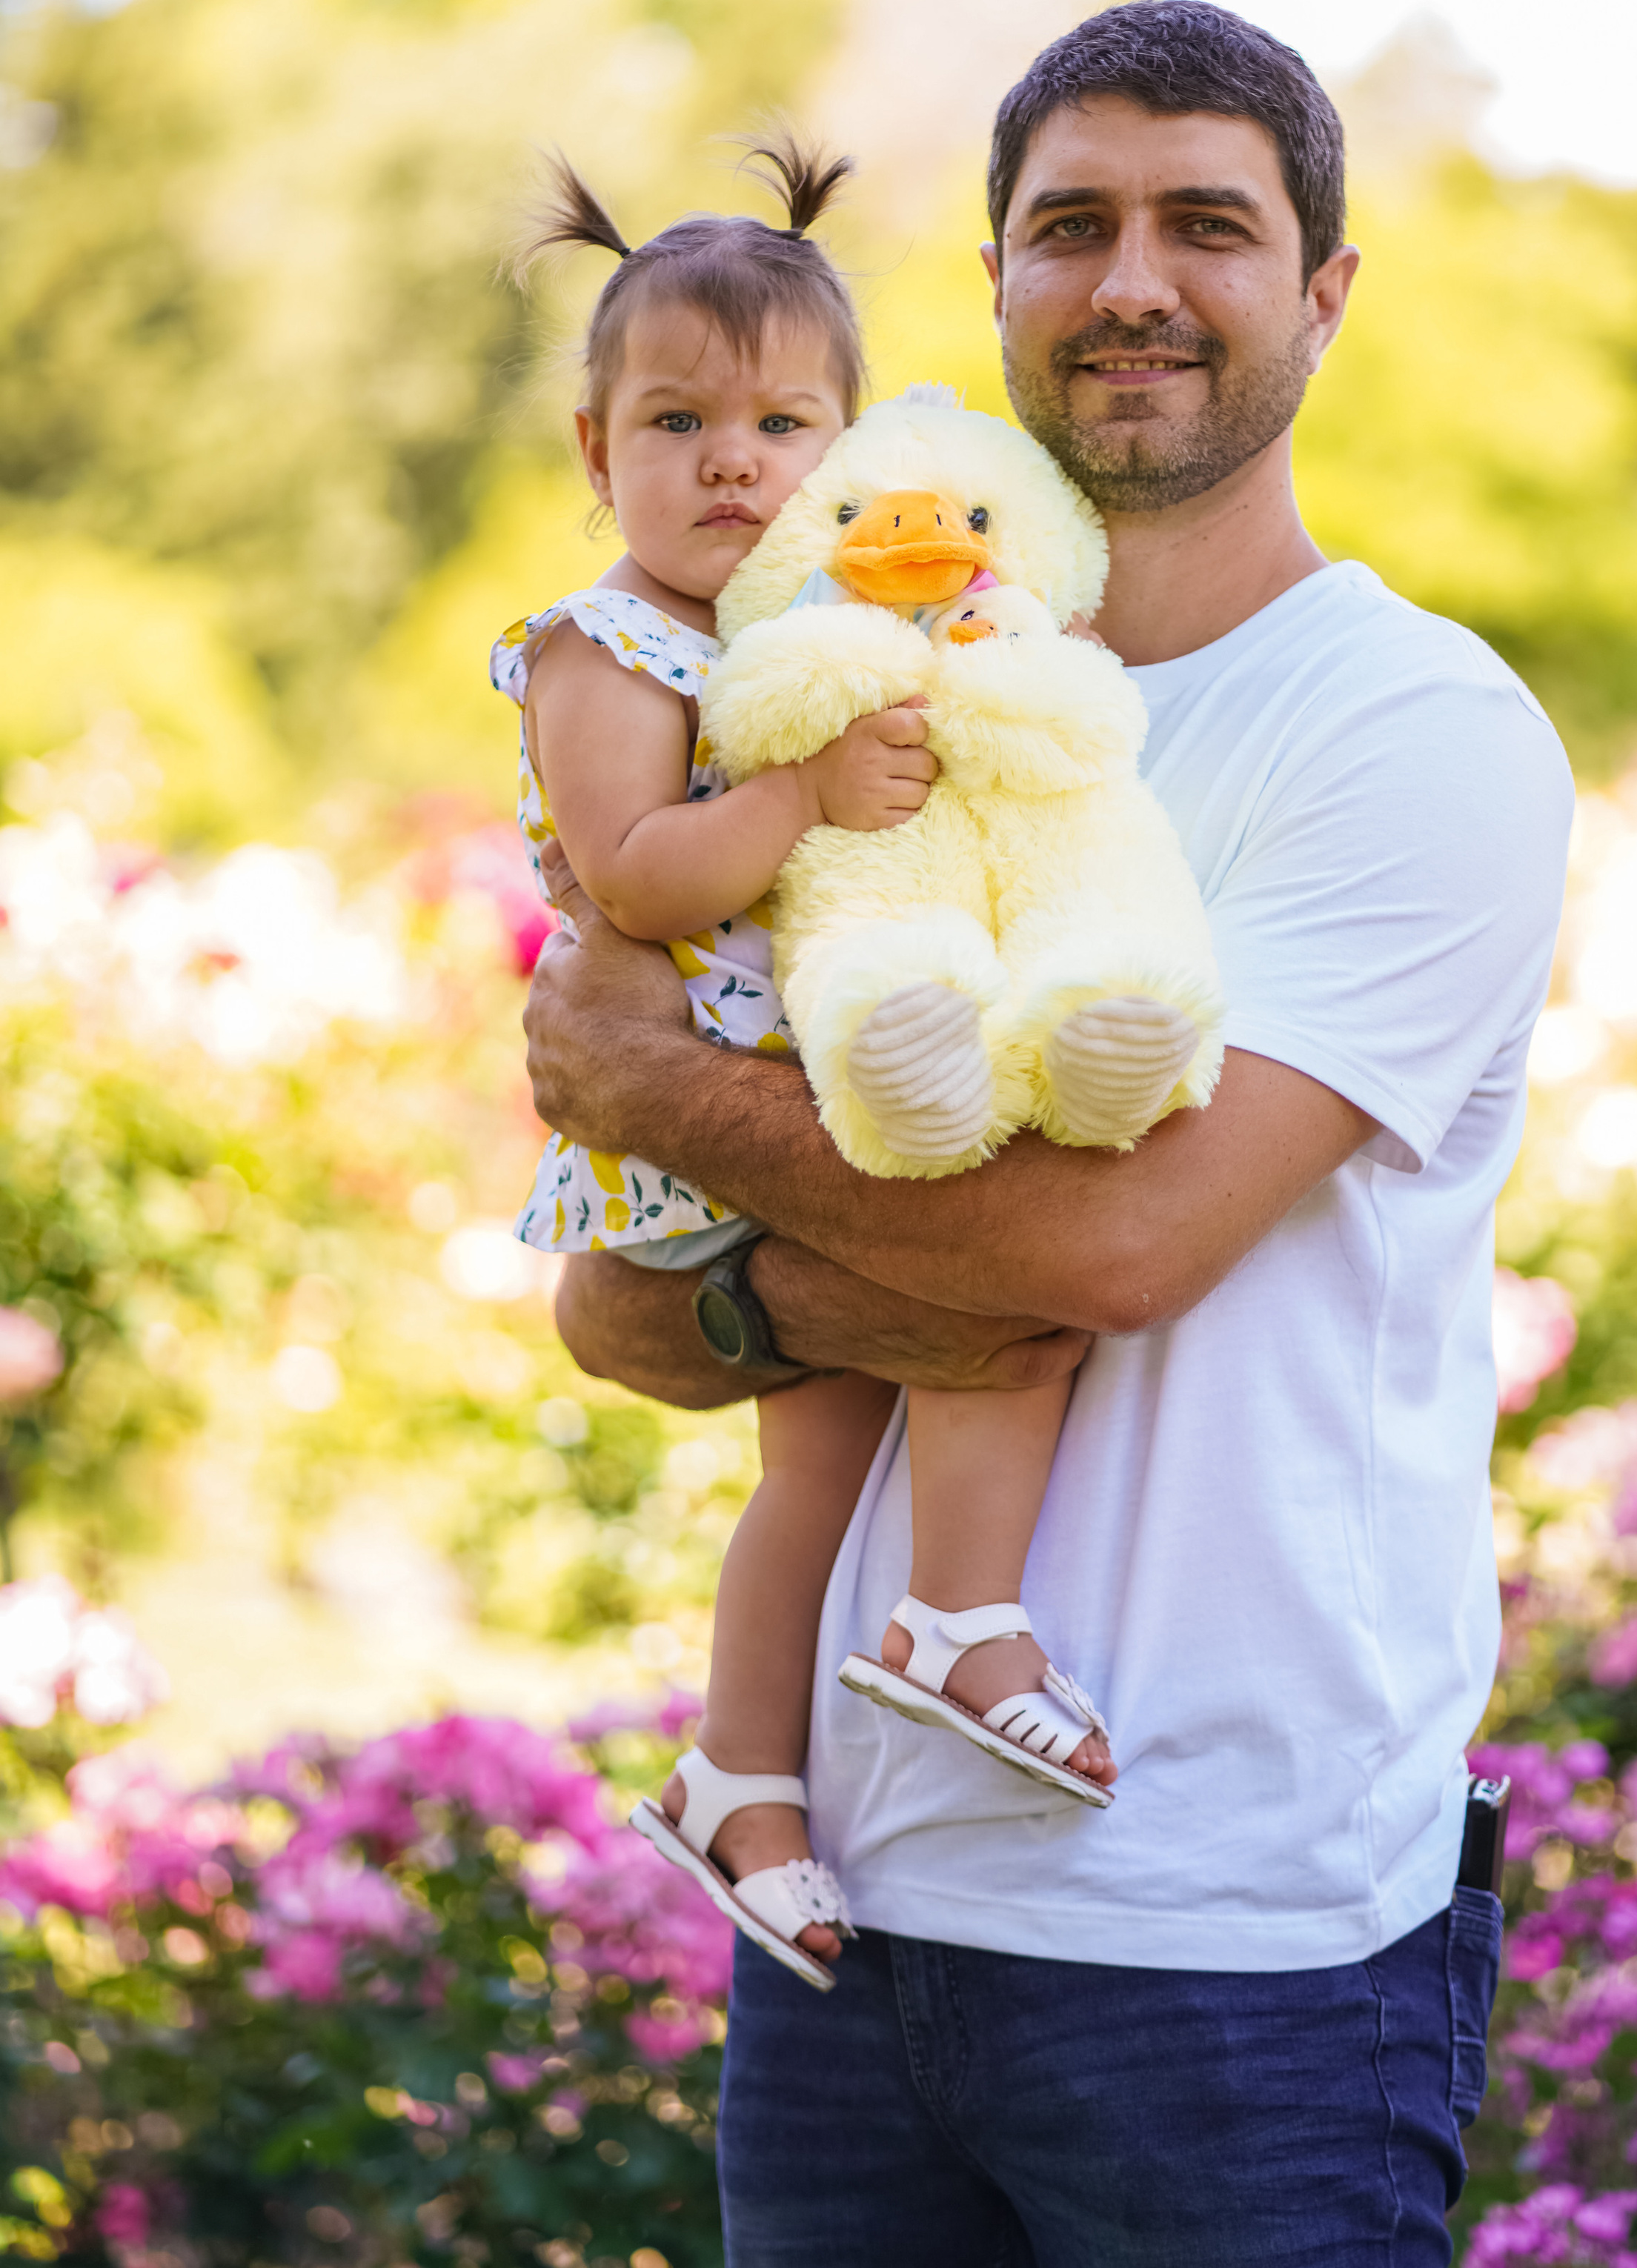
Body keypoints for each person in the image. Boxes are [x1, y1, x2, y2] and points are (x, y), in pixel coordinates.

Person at [527, 0, 1575, 2264]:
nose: (1133, 281)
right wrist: (715, 1214)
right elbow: (622, 1305)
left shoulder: (1411, 728)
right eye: (1067, 224)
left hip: (1234, 1942)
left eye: (1211, 223)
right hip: (846, 1921)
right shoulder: (807, 710)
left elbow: (1122, 1247)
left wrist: (670, 1105)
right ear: (990, 283)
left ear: (1324, 287)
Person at [495, 141, 1118, 2003]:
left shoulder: (789, 626)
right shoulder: (605, 647)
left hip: (809, 1083)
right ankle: (959, 1621)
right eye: (676, 420)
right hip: (705, 1130)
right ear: (596, 452)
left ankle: (742, 1771)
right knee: (1000, 1307)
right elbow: (627, 873)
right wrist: (804, 794)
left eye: (780, 423)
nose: (731, 463)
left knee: (822, 1456)